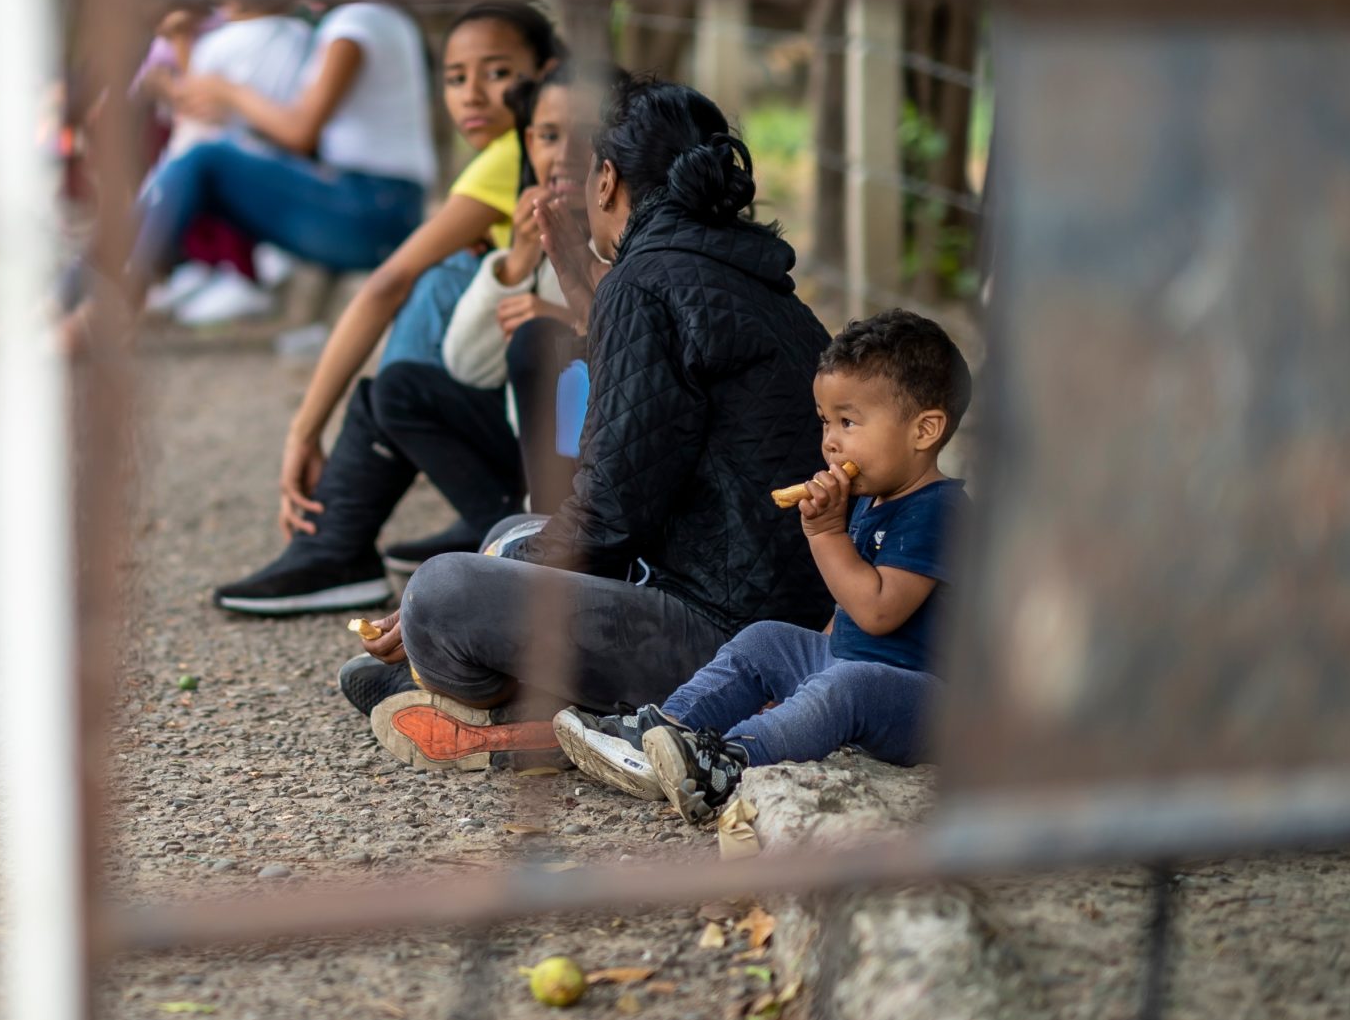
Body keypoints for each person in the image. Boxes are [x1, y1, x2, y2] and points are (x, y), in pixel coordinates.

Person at [348, 78, 834, 771]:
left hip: (724, 639)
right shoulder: (755, 281)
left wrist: (486, 583)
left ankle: (521, 709)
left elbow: (609, 513)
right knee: (503, 536)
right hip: (767, 615)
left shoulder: (645, 281)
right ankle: (505, 695)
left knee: (441, 592)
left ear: (606, 179)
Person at [209, 0, 564, 615]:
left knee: (422, 314)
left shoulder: (516, 153)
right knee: (441, 297)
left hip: (557, 417)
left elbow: (384, 285)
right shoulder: (520, 157)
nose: (472, 95)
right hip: (542, 408)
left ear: (547, 71)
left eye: (498, 72)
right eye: (455, 78)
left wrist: (304, 431)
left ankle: (357, 543)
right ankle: (441, 519)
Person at [552, 310, 973, 820]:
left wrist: (825, 533)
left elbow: (880, 611)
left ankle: (729, 762)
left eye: (848, 421)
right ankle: (662, 734)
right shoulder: (870, 499)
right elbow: (844, 615)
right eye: (825, 422)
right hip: (851, 667)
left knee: (847, 686)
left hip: (919, 699)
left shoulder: (938, 510)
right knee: (766, 639)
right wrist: (802, 673)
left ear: (924, 430)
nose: (831, 441)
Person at [73, 0, 433, 350]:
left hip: (372, 212)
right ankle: (92, 296)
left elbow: (301, 131)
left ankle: (109, 309)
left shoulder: (356, 24)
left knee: (203, 160)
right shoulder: (372, 16)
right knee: (191, 165)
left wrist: (228, 91)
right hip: (370, 205)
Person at [143, 0, 315, 326]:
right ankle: (216, 270)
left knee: (190, 162)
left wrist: (179, 45)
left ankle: (237, 274)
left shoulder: (222, 42)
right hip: (285, 155)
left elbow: (193, 94)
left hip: (235, 156)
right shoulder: (305, 36)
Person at [440, 66, 595, 514]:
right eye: (549, 137)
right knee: (397, 390)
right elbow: (468, 367)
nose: (564, 155)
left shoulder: (630, 238)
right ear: (529, 143)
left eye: (586, 136)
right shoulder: (541, 238)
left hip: (595, 466)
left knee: (540, 339)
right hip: (527, 447)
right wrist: (518, 259)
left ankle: (556, 523)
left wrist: (566, 321)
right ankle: (494, 519)